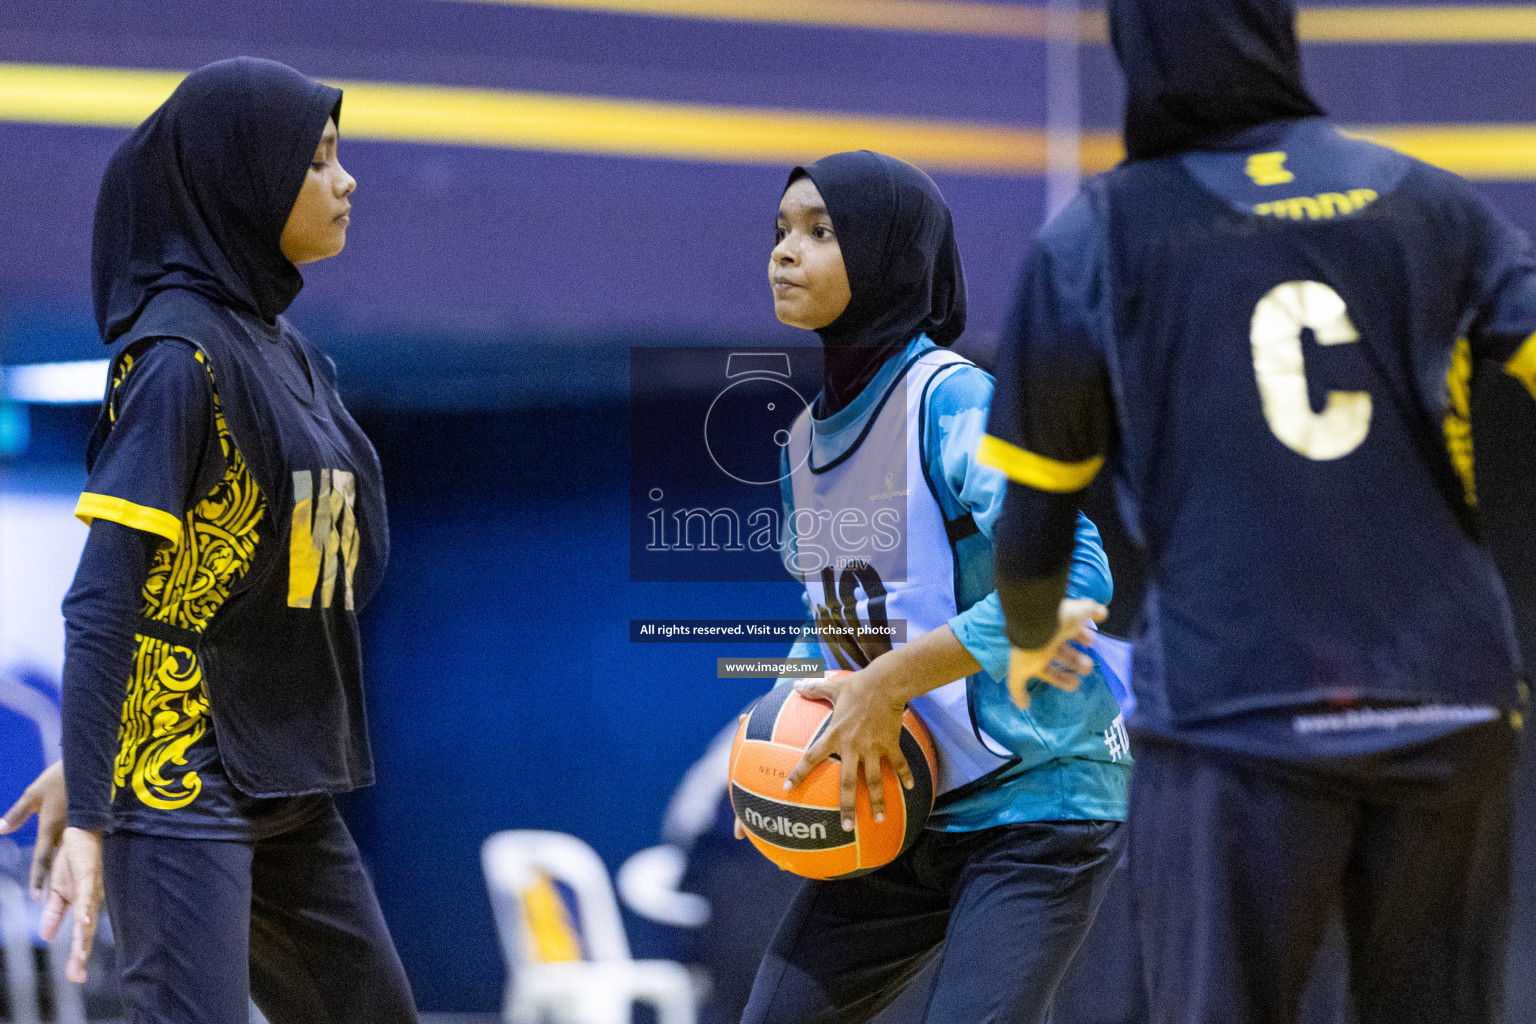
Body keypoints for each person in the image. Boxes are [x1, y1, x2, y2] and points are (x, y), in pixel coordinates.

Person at [981, 1, 1534, 1022]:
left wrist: (1027, 631)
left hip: (1236, 712)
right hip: (1451, 698)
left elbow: (1036, 520)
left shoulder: (1097, 237)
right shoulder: (1433, 201)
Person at [0, 57, 418, 1024]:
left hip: (282, 774)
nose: (345, 180)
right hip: (180, 785)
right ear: (244, 180)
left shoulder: (282, 349)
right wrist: (102, 802)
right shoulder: (177, 359)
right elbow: (104, 597)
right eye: (317, 162)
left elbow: (272, 586)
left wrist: (92, 747)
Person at [737, 151, 1132, 1024]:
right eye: (780, 231)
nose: (785, 251)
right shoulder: (802, 444)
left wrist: (889, 682)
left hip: (1040, 799)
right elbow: (840, 627)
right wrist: (777, 742)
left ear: (887, 255)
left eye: (820, 231)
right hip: (904, 798)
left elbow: (1075, 577)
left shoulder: (955, 400)